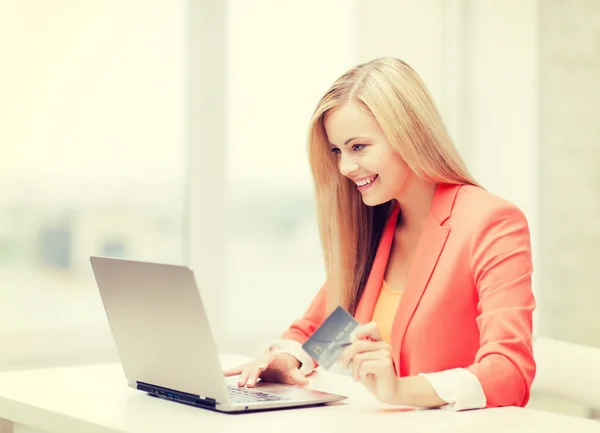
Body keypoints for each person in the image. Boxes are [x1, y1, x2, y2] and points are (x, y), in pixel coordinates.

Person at [223, 57, 536, 411]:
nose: (345, 167)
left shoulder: (491, 222)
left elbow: (509, 372)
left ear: (410, 135)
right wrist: (287, 360)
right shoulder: (378, 226)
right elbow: (325, 331)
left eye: (359, 147)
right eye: (337, 151)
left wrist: (399, 390)